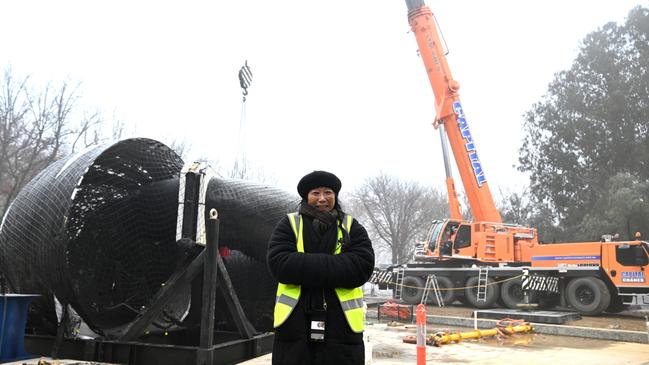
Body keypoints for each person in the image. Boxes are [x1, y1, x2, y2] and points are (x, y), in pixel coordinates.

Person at [267, 170, 375, 365]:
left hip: (341, 329)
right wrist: (337, 266)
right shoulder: (289, 224)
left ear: (335, 196)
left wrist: (304, 265)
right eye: (315, 193)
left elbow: (362, 267)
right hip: (295, 325)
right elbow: (280, 264)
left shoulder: (351, 226)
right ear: (306, 197)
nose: (322, 199)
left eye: (328, 193)